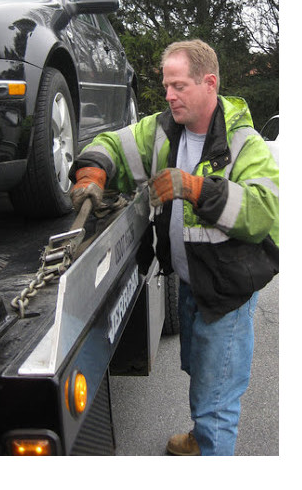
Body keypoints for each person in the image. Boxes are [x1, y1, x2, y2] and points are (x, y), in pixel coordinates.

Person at [69, 39, 279, 456]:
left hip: (226, 294)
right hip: (191, 282)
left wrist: (198, 189)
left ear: (209, 84)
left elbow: (265, 212)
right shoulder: (164, 129)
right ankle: (201, 439)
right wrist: (92, 169)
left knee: (218, 400)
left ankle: (210, 443)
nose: (168, 95)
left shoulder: (245, 145)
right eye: (166, 85)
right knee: (201, 372)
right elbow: (114, 144)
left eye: (179, 86)